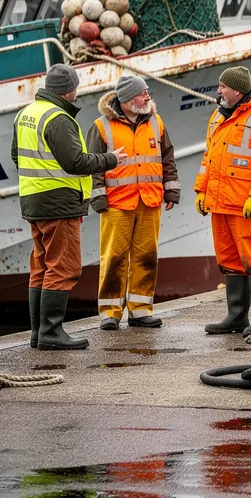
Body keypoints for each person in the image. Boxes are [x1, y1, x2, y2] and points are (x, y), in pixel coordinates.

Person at [13, 63, 125, 351]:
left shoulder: (26, 113)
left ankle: (38, 333)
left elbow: (16, 155)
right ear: (69, 90)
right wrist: (110, 159)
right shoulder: (58, 118)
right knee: (63, 267)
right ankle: (51, 332)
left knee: (41, 266)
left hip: (33, 200)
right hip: (58, 203)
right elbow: (75, 162)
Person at [195, 66, 251, 335]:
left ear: (237, 90)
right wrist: (201, 190)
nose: (219, 91)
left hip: (247, 205)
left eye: (223, 86)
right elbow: (209, 158)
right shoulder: (218, 116)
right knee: (229, 261)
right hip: (220, 203)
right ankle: (236, 316)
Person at [87, 75, 179, 330]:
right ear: (127, 99)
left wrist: (171, 191)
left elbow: (168, 158)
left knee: (146, 257)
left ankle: (140, 310)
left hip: (149, 200)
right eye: (142, 93)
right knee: (114, 258)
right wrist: (98, 197)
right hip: (116, 203)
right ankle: (110, 313)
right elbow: (93, 165)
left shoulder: (156, 122)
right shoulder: (101, 126)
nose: (148, 96)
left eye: (147, 91)